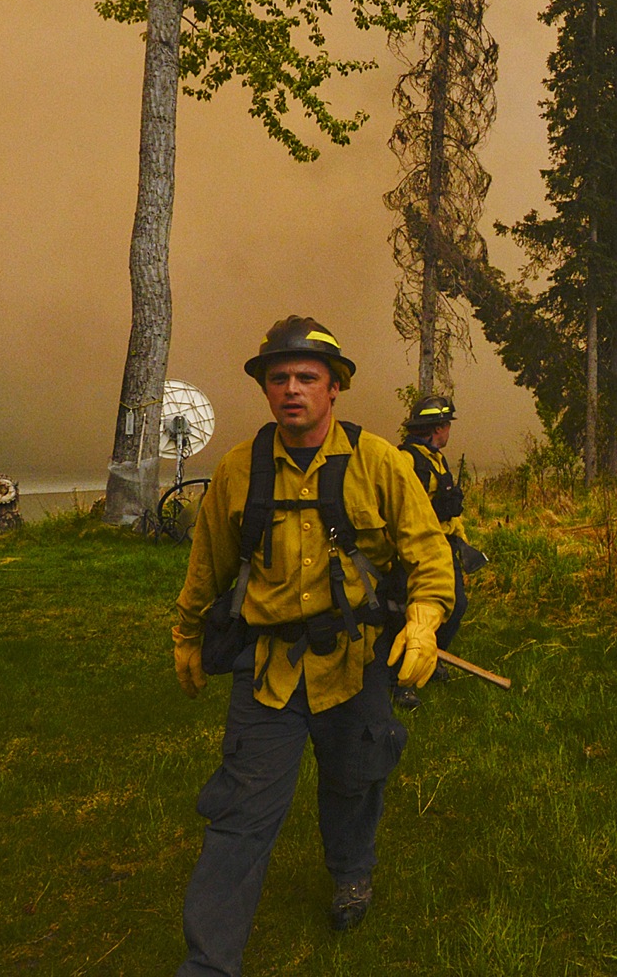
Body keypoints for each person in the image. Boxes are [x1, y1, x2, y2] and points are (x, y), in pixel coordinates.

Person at [170, 316, 456, 974]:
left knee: (356, 781)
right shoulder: (238, 471)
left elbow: (427, 549)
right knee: (239, 818)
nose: (292, 389)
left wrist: (424, 618)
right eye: (279, 378)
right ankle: (209, 965)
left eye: (307, 377)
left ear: (334, 388)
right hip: (267, 672)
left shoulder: (379, 461)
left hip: (355, 666)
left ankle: (352, 872)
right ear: (266, 389)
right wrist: (186, 635)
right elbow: (204, 567)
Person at [397, 394, 484, 709]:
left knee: (455, 607)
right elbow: (404, 511)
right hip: (422, 547)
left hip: (445, 545)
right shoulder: (408, 461)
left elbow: (449, 511)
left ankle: (430, 659)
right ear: (436, 427)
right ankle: (401, 683)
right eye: (447, 425)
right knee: (412, 615)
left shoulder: (436, 459)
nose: (449, 431)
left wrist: (461, 539)